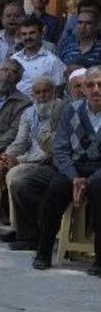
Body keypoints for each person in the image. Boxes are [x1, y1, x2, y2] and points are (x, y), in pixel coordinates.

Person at [0, 77, 64, 241]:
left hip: (45, 162)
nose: (42, 95)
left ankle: (18, 228)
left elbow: (53, 149)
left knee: (14, 173)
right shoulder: (29, 112)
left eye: (46, 91)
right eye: (38, 92)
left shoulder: (61, 111)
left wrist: (20, 161)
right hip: (26, 157)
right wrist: (7, 156)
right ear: (32, 95)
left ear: (54, 92)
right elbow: (20, 141)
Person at [33, 66, 101, 274]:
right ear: (84, 89)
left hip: (99, 171)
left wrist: (88, 181)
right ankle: (43, 252)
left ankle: (99, 260)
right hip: (74, 167)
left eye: (100, 85)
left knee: (99, 190)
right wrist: (74, 178)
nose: (96, 89)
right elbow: (60, 149)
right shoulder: (71, 110)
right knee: (54, 190)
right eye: (91, 85)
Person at [11, 17, 66, 96]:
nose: (27, 37)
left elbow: (58, 92)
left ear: (41, 34)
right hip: (13, 105)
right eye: (24, 34)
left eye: (32, 33)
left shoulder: (53, 61)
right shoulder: (14, 58)